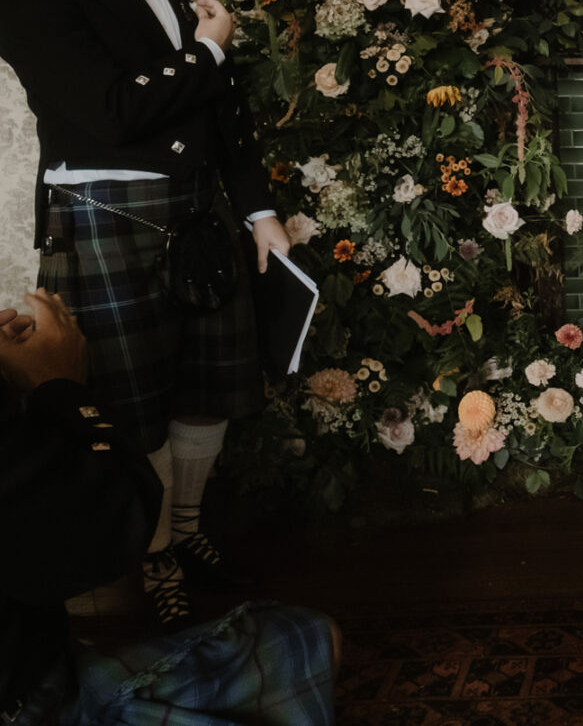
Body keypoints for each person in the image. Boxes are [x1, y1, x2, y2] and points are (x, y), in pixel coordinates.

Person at [0, 0, 291, 630]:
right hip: (106, 219)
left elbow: (215, 104)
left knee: (205, 392)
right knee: (136, 406)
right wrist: (205, 48)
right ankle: (153, 553)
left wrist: (258, 208)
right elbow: (107, 113)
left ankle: (188, 531)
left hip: (201, 212)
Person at [0, 286, 338, 725]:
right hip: (32, 699)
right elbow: (105, 528)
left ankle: (184, 535)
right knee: (311, 637)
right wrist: (60, 386)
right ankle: (161, 563)